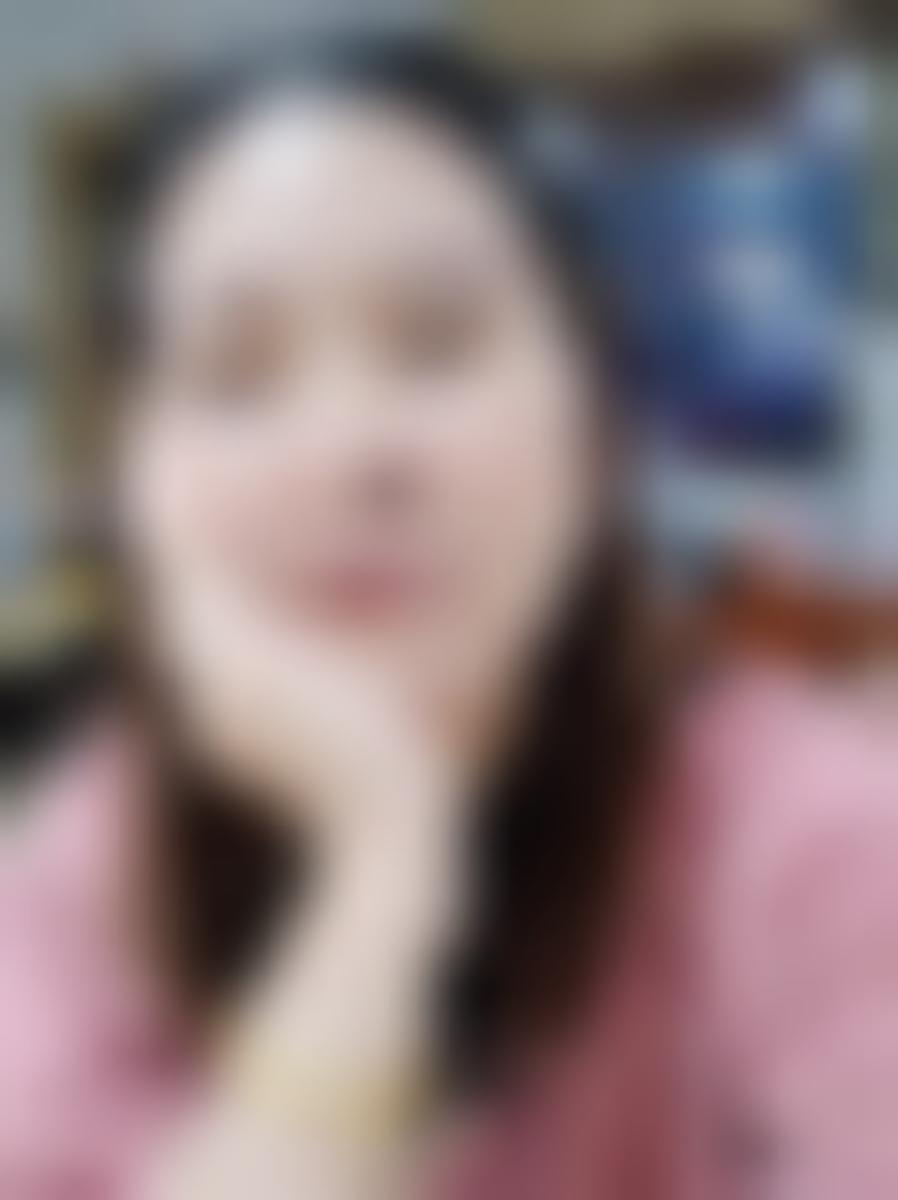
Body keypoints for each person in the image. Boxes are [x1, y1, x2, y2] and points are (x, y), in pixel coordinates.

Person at [3, 38, 897, 1200]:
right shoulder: (85, 866)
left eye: (437, 341)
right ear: (130, 487)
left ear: (593, 422)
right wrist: (381, 872)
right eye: (237, 373)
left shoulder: (815, 835)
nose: (351, 448)